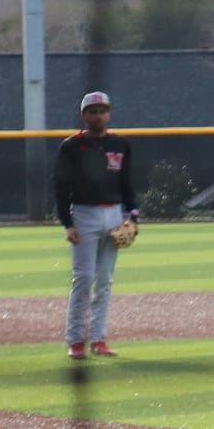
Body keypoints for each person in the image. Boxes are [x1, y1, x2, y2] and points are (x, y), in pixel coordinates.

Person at [53, 91, 137, 360]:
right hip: (84, 214)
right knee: (84, 278)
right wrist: (67, 223)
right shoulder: (71, 146)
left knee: (104, 281)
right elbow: (60, 186)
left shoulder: (120, 145)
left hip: (113, 214)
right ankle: (76, 340)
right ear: (83, 115)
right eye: (93, 111)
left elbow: (127, 184)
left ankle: (99, 339)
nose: (98, 115)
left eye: (102, 110)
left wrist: (132, 218)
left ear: (109, 114)